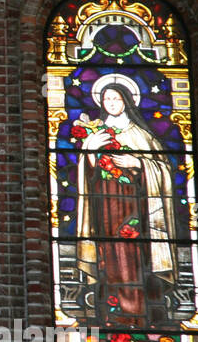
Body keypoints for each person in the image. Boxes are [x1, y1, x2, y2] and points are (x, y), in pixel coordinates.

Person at [75, 82, 177, 326]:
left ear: (126, 102)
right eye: (107, 99)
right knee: (109, 253)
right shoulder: (96, 134)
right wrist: (90, 152)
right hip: (104, 207)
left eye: (116, 99)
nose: (111, 103)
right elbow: (85, 175)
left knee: (132, 253)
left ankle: (138, 312)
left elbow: (163, 171)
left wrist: (138, 164)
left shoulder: (142, 135)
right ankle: (112, 312)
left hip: (136, 208)